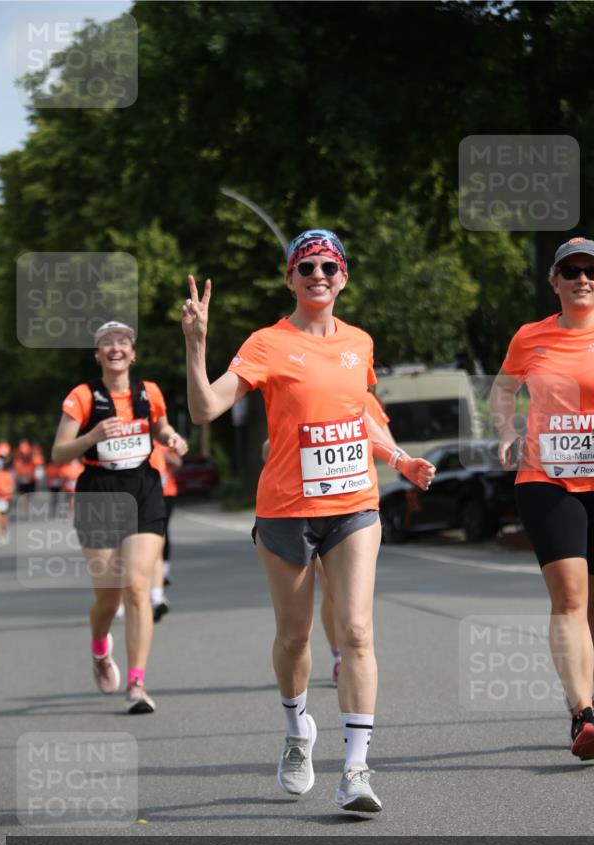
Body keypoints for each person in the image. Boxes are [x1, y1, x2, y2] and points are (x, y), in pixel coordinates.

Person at [183, 229, 434, 812]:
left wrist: (398, 458)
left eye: (328, 266)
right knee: (295, 637)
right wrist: (195, 345)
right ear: (290, 278)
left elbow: (362, 414)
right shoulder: (269, 342)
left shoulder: (361, 343)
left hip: (354, 505)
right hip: (285, 509)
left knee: (357, 630)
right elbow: (205, 408)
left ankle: (356, 769)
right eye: (306, 267)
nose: (317, 275)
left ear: (343, 276)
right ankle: (298, 733)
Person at [490, 237, 594, 761]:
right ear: (554, 281)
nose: (582, 279)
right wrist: (505, 431)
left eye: (593, 271)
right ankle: (584, 712)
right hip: (546, 478)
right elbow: (502, 388)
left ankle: (583, 695)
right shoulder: (530, 337)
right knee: (569, 598)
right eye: (572, 271)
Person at [51, 319, 188, 713]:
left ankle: (137, 683)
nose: (115, 348)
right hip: (99, 492)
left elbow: (159, 427)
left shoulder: (150, 392)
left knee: (137, 586)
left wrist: (172, 438)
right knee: (108, 599)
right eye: (107, 343)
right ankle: (99, 649)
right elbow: (60, 452)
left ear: (133, 352)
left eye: (123, 342)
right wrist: (93, 437)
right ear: (98, 354)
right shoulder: (82, 396)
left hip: (143, 489)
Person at [265, 387, 400, 686]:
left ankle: (352, 650)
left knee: (348, 602)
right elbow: (269, 448)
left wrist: (400, 461)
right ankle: (339, 655)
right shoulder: (305, 393)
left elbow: (387, 444)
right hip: (309, 507)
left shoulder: (366, 401)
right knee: (328, 590)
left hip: (354, 505)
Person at [148, 440, 181, 621]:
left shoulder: (162, 444)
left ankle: (157, 595)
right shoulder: (136, 440)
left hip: (165, 493)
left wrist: (165, 454)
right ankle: (121, 598)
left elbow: (177, 463)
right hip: (136, 496)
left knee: (161, 533)